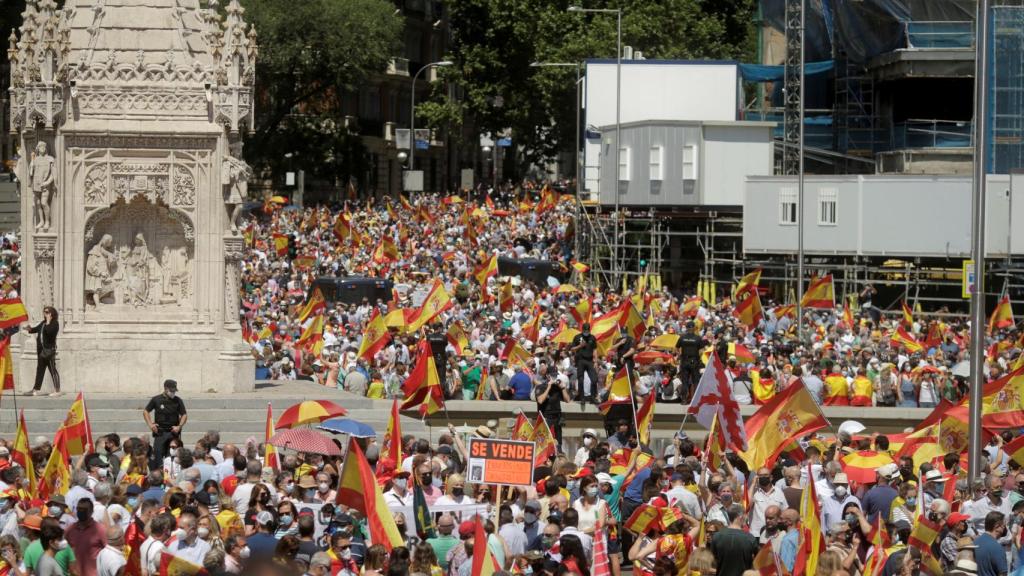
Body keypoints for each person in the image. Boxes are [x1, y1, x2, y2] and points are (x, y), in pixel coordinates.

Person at [143, 379, 187, 471]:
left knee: (173, 456)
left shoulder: (178, 401)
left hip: (173, 432)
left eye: (174, 391)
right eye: (171, 391)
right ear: (166, 388)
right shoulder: (156, 399)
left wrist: (179, 426)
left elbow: (184, 415)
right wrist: (151, 425)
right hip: (160, 432)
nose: (173, 392)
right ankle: (158, 474)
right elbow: (146, 411)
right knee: (158, 455)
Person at [709, 504, 759, 576]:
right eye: (745, 515)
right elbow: (758, 562)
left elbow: (713, 560)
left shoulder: (717, 536)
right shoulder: (750, 538)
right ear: (741, 516)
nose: (746, 517)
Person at [24, 306, 60, 396]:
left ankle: (57, 390)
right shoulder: (43, 323)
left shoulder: (55, 323)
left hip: (49, 351)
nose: (45, 314)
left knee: (52, 370)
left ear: (52, 313)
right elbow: (35, 329)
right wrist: (29, 329)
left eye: (47, 312)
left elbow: (50, 333)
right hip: (41, 352)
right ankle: (35, 389)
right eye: (44, 312)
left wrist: (48, 321)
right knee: (40, 370)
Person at [65, 499, 105, 576]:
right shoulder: (70, 529)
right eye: (79, 509)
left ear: (91, 511)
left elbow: (108, 550)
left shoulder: (100, 529)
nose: (81, 511)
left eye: (84, 509)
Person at [569, 323, 598, 403]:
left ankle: (593, 397)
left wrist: (596, 361)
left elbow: (595, 350)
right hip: (581, 360)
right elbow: (572, 349)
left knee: (594, 379)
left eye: (588, 330)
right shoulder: (577, 337)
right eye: (585, 330)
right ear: (582, 330)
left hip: (590, 361)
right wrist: (580, 346)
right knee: (581, 380)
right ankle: (582, 398)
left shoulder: (592, 337)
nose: (586, 332)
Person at [973, 511, 1007, 576]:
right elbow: (1003, 574)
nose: (1004, 529)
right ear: (997, 526)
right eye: (1004, 526)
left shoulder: (974, 543)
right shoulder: (997, 548)